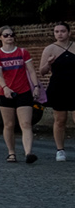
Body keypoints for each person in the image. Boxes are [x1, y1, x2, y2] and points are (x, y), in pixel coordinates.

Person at [0, 26, 39, 165]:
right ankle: (11, 152)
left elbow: (31, 71)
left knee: (26, 123)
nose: (9, 37)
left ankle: (28, 152)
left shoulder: (23, 52)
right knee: (9, 124)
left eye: (12, 34)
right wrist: (5, 87)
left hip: (23, 91)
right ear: (0, 37)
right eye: (6, 35)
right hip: (6, 92)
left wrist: (35, 87)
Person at [43, 22, 75, 163]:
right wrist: (49, 63)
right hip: (59, 87)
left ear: (69, 32)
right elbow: (42, 71)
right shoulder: (50, 49)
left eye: (62, 31)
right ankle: (60, 150)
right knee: (60, 120)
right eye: (56, 31)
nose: (60, 34)